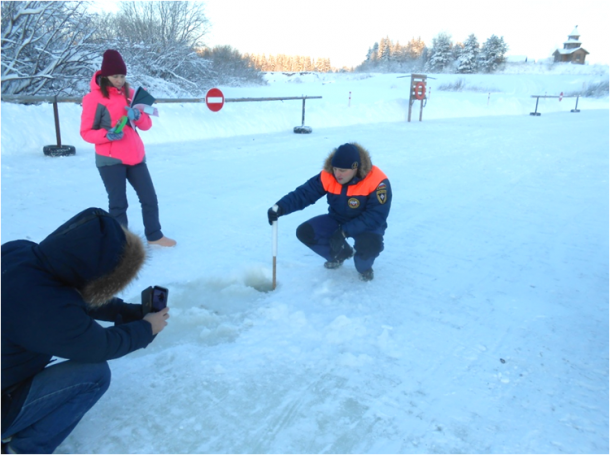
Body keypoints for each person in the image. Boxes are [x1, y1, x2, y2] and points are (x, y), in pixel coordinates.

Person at [0, 208, 170, 454]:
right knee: (94, 375)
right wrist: (146, 328)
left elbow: (72, 297)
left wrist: (129, 312)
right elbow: (100, 346)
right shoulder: (48, 310)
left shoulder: (18, 252)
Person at [80, 49, 176, 247]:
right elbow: (86, 132)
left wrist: (138, 116)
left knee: (149, 198)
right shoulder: (93, 99)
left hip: (136, 157)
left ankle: (155, 236)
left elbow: (147, 125)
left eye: (122, 76)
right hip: (110, 160)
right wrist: (107, 135)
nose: (119, 80)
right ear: (105, 76)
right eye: (115, 76)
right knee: (118, 205)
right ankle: (120, 244)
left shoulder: (131, 95)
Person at [267, 143, 392, 281]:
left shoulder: (378, 181)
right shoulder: (329, 175)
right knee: (305, 232)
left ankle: (365, 267)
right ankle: (341, 254)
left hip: (367, 226)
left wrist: (344, 232)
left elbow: (376, 216)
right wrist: (280, 207)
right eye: (336, 168)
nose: (337, 174)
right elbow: (304, 194)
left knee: (367, 251)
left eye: (343, 171)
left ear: (355, 168)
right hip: (337, 219)